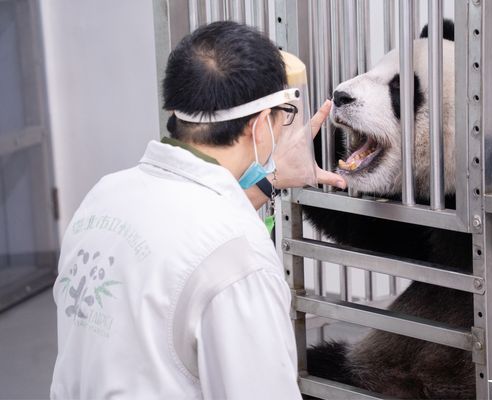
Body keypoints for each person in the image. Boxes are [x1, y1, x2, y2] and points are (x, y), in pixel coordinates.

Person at [50, 21, 346, 399]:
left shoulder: (104, 196)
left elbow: (184, 235)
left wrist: (269, 181)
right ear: (259, 126)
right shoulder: (241, 257)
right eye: (283, 115)